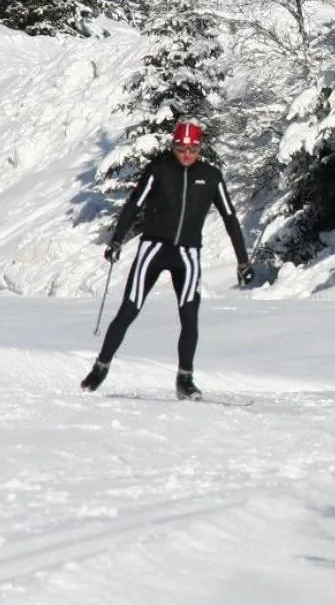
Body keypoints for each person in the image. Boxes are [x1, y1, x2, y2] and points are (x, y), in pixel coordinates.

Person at [81, 119, 253, 400]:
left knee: (189, 316)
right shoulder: (159, 170)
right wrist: (116, 240)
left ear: (200, 148)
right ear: (173, 146)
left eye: (193, 149)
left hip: (188, 254)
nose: (187, 154)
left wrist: (243, 261)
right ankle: (101, 366)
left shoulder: (211, 175)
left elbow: (230, 217)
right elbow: (134, 204)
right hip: (153, 250)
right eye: (181, 148)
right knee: (129, 309)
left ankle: (185, 380)